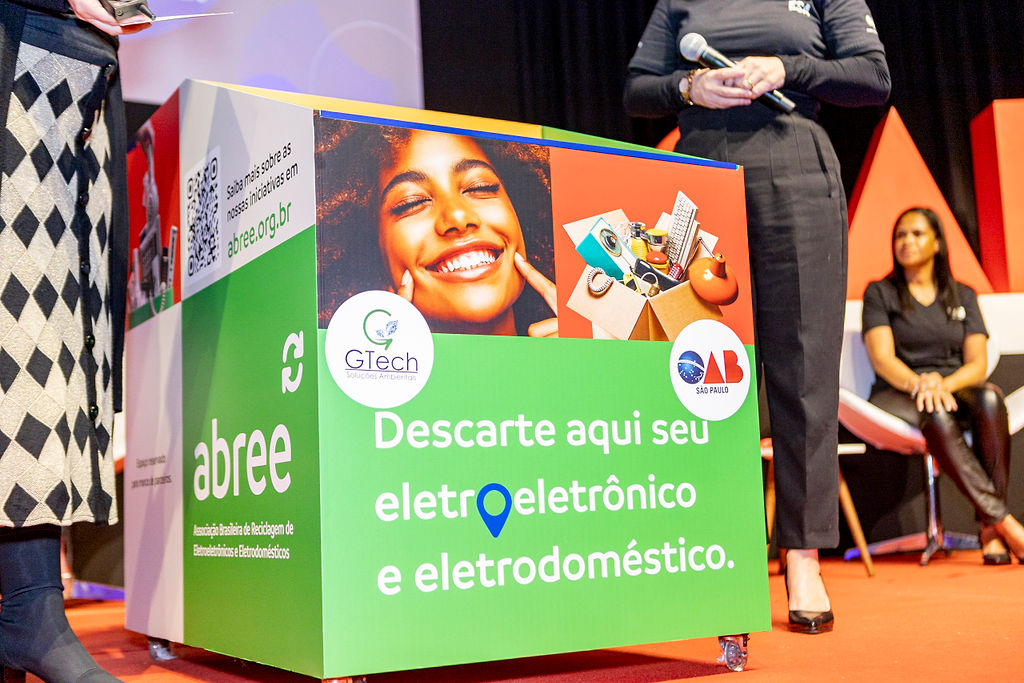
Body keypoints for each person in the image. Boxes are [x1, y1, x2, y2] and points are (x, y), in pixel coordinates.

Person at [624, 1, 891, 633]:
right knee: (706, 374)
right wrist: (688, 87)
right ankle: (718, 555)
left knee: (804, 370)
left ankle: (803, 557)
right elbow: (637, 90)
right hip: (701, 172)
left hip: (796, 164)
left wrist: (788, 68)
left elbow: (872, 76)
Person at [0, 1, 145, 680]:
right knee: (19, 335)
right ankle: (30, 612)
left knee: (54, 348)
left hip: (81, 84)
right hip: (24, 60)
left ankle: (29, 608)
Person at [863, 207, 1024, 565]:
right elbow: (882, 359)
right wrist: (920, 383)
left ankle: (990, 527)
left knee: (990, 398)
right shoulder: (881, 293)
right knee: (934, 410)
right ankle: (1003, 523)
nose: (906, 241)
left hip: (951, 385)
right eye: (900, 235)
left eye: (917, 234)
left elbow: (977, 363)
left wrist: (942, 384)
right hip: (900, 390)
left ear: (937, 243)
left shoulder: (962, 294)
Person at [316, 122, 557, 337]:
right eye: (412, 202)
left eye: (479, 186)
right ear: (374, 258)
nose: (457, 217)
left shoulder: (576, 364)